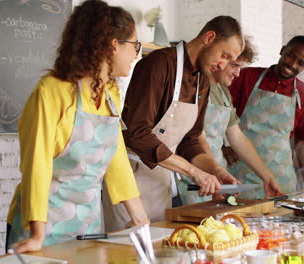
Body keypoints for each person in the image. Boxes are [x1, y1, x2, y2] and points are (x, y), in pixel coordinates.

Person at [5, 0, 149, 254]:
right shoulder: (52, 91)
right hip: (43, 227)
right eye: (134, 46)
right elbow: (37, 164)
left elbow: (117, 158)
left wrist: (138, 215)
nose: (136, 55)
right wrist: (37, 233)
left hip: (88, 225)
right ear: (114, 46)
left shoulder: (110, 94)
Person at [103, 16, 243, 232]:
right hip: (131, 181)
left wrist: (216, 172)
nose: (223, 65)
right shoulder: (159, 63)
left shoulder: (203, 80)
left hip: (161, 184)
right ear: (209, 37)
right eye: (225, 56)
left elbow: (190, 141)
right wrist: (193, 172)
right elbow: (137, 133)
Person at [178, 37, 285, 205]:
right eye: (235, 65)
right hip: (192, 181)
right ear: (220, 59)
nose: (238, 73)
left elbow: (237, 137)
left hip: (217, 179)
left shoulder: (224, 93)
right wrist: (215, 173)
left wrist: (267, 176)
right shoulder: (196, 87)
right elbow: (198, 138)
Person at [228, 35, 304, 199]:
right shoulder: (246, 77)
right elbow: (220, 115)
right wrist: (223, 146)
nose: (292, 64)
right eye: (290, 55)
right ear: (282, 50)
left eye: (301, 63)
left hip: (281, 182)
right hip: (241, 176)